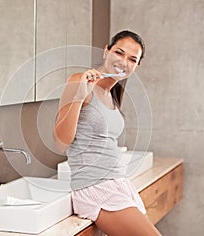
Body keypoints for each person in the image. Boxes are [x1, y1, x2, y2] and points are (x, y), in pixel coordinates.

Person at [53, 30, 161, 236]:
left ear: (137, 66)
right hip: (94, 187)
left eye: (132, 59)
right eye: (119, 53)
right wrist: (79, 97)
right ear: (106, 51)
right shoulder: (79, 81)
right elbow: (60, 143)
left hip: (118, 184)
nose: (123, 62)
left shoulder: (111, 94)